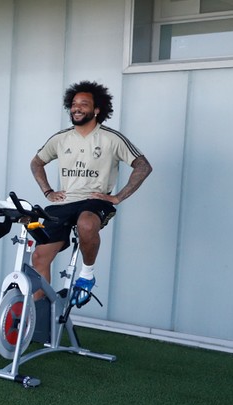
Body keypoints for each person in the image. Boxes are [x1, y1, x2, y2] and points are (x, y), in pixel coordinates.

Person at [30, 81, 152, 306]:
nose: (77, 108)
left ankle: (87, 275)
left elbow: (143, 166)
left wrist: (118, 197)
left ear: (97, 110)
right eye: (74, 104)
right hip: (65, 202)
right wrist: (47, 191)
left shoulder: (111, 138)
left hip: (95, 201)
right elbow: (36, 163)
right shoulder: (61, 138)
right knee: (39, 257)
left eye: (84, 104)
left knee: (86, 224)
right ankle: (39, 314)